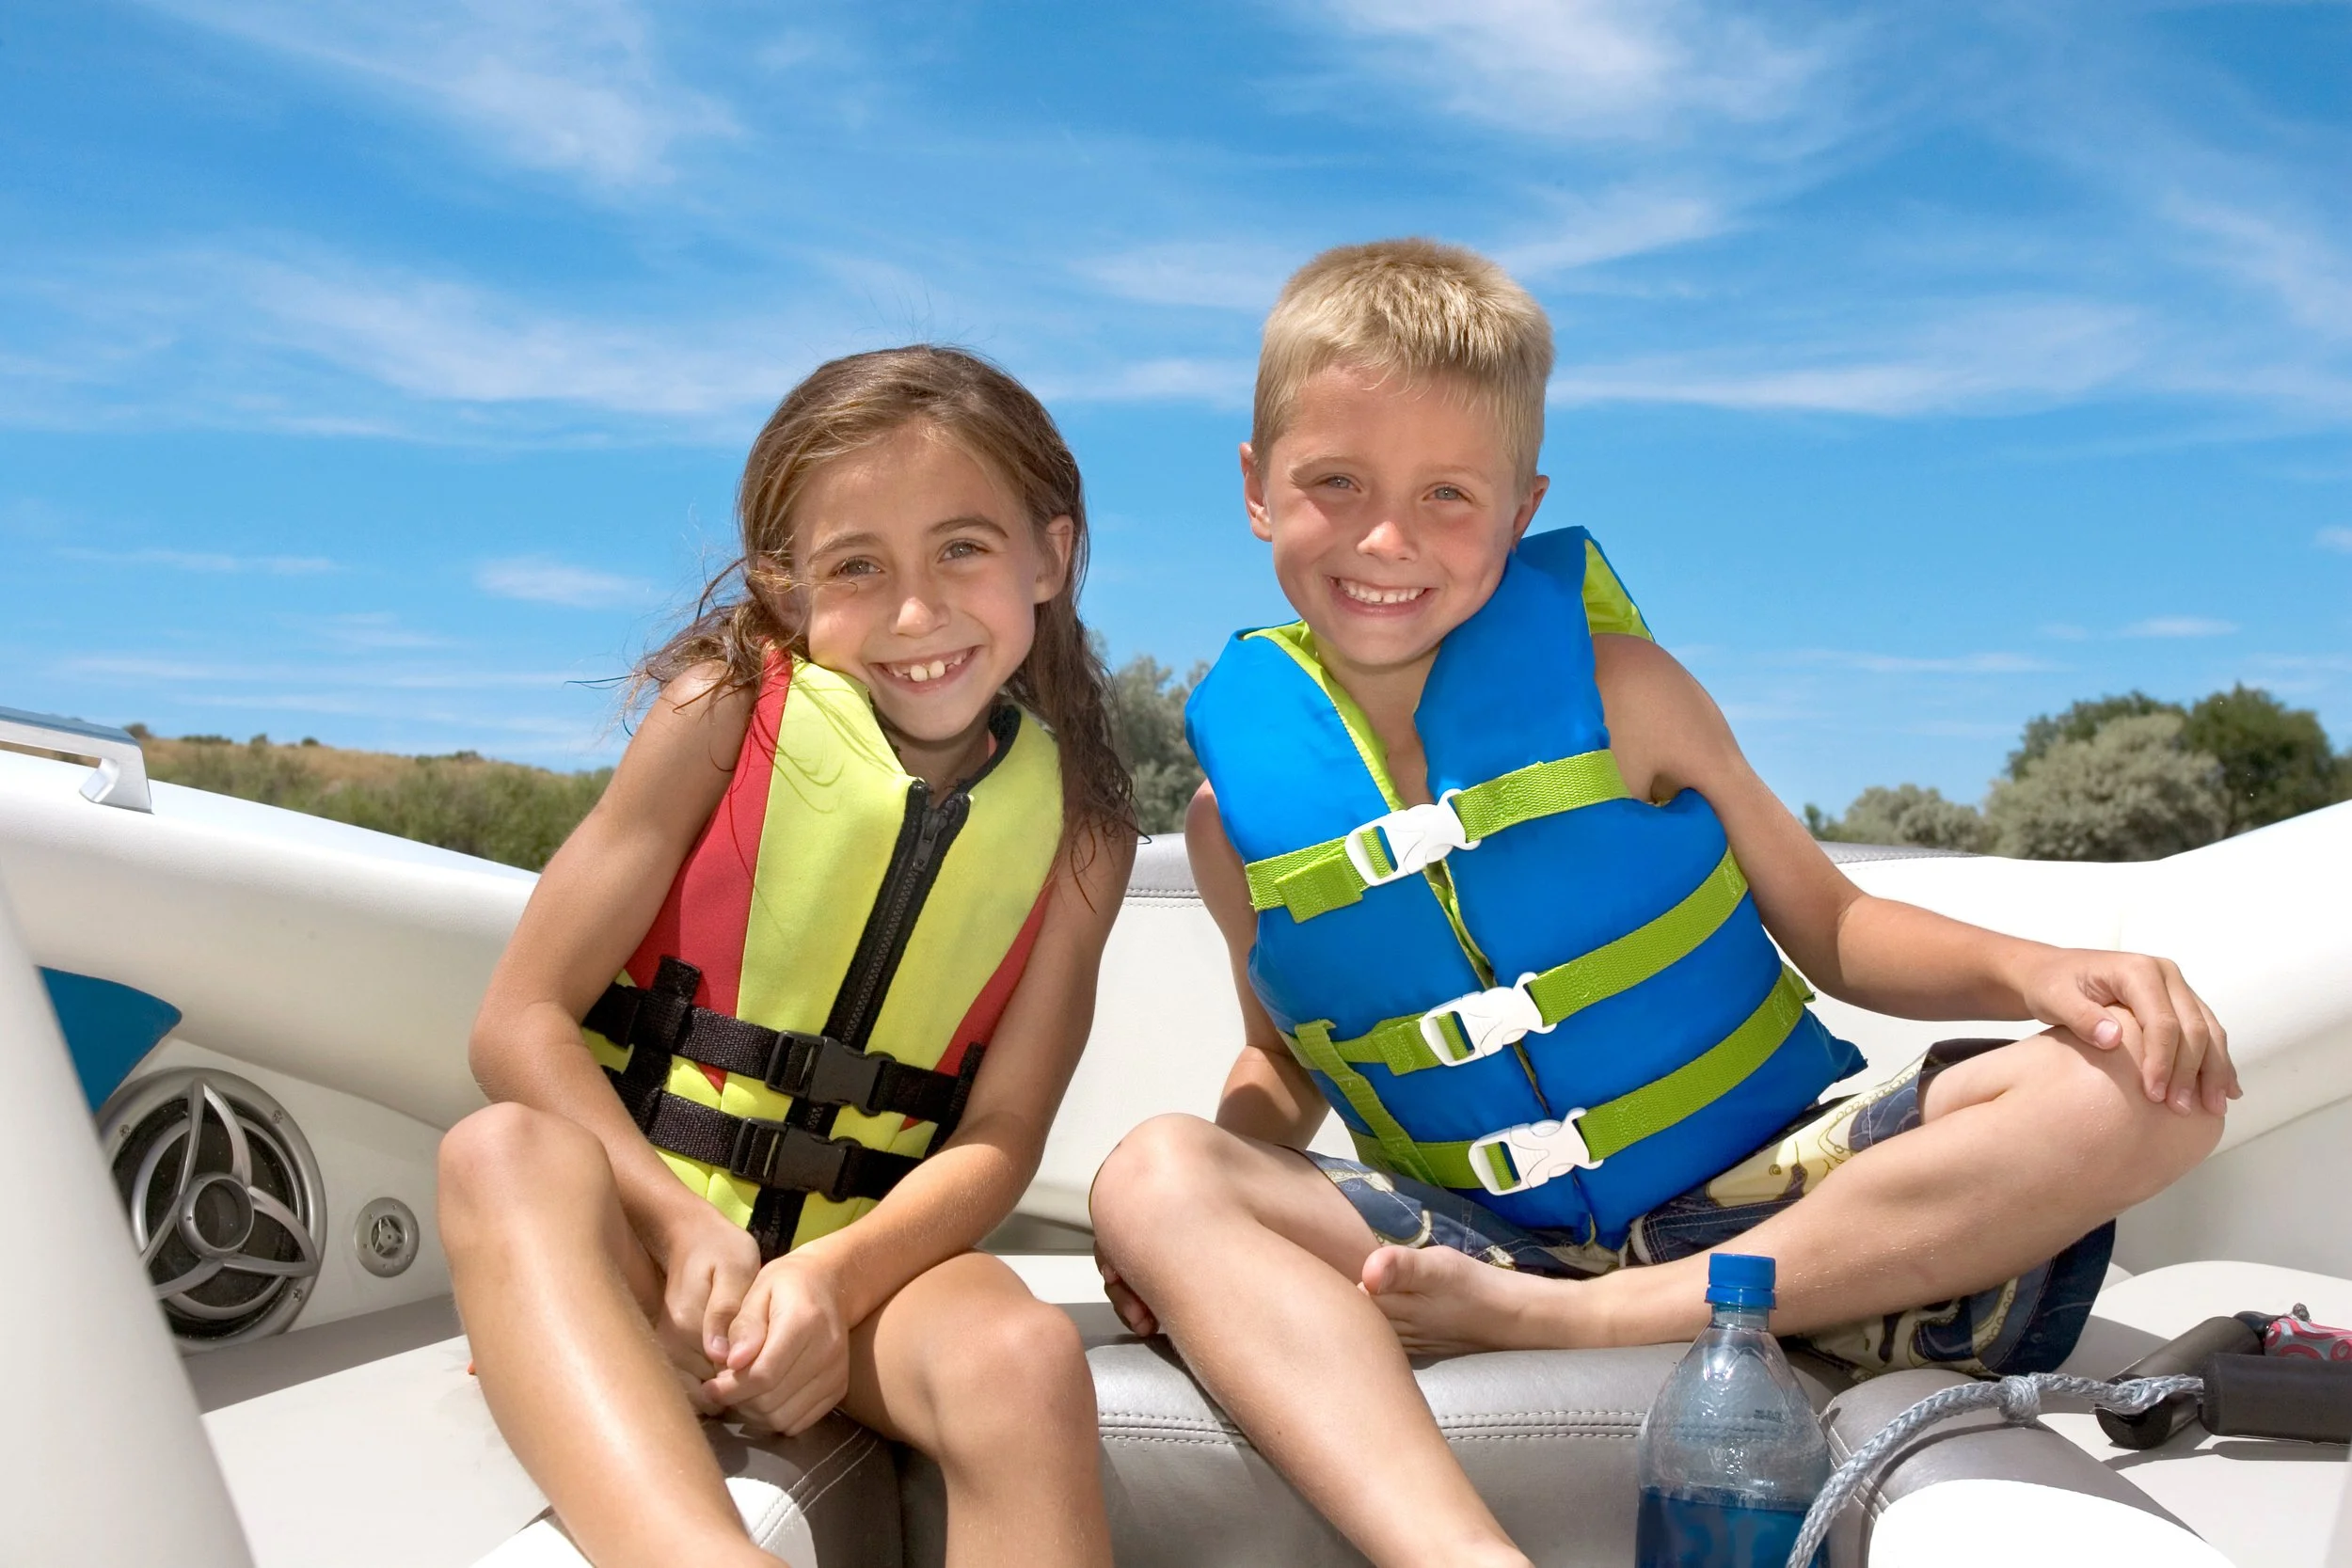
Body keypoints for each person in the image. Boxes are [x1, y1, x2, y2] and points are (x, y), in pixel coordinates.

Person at [1088, 240, 2235, 1568]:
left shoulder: (1628, 690)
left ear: (1522, 507)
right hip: (1474, 1244)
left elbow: (1833, 924)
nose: (1385, 539)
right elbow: (1283, 1063)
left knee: (2151, 1089)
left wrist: (2039, 972)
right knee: (1149, 1173)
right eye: (1333, 482)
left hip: (1762, 1207)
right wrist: (1193, 1222)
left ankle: (1595, 1319)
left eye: (1447, 494)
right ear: (1255, 485)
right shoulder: (1231, 826)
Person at [440, 346, 1132, 1568]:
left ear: (1049, 556)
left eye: (962, 548)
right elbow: (519, 1021)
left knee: (1021, 1357)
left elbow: (1003, 1135)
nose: (916, 613)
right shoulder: (717, 709)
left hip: (863, 1282)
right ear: (786, 583)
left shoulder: (1082, 832)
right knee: (497, 1153)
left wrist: (832, 1283)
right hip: (641, 1245)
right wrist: (678, 1230)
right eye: (858, 565)